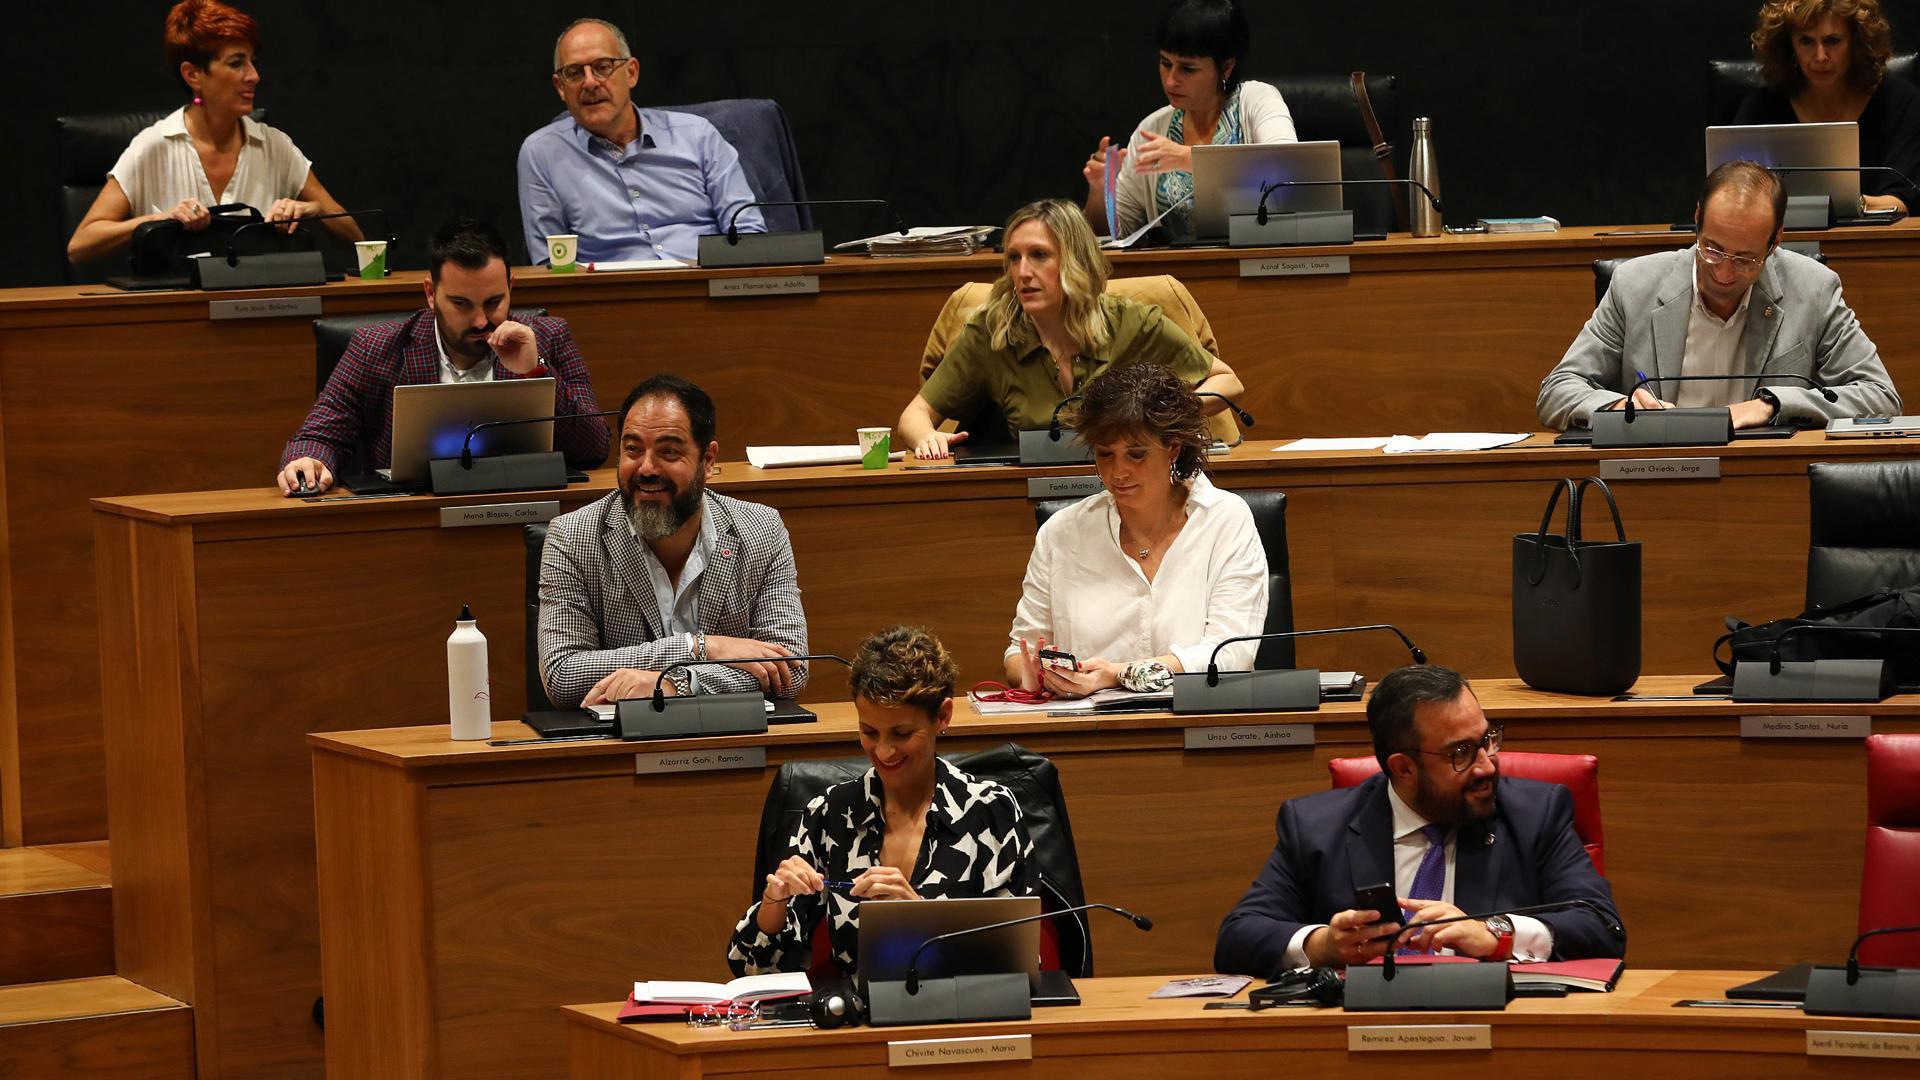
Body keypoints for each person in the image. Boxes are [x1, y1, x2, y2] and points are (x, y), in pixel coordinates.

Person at [1214, 665, 1625, 978]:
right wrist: (1323, 945)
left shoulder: (1536, 814)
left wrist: (1495, 934)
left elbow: (1602, 926)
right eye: (1461, 752)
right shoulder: (1316, 827)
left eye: (1487, 740)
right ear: (1403, 768)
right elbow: (1237, 937)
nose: (1486, 766)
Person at [727, 625, 1035, 978]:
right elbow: (749, 970)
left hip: (963, 1019)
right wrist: (774, 903)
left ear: (943, 716)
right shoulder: (828, 814)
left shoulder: (990, 812)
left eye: (902, 734)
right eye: (869, 732)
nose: (884, 751)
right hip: (857, 1021)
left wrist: (919, 919)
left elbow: (1017, 964)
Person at [1536, 160, 1899, 431]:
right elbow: (1557, 390)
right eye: (1712, 249)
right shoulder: (1634, 285)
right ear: (1697, 220)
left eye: (1745, 258)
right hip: (1654, 471)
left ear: (1775, 242)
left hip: (1760, 476)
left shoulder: (1814, 289)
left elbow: (1879, 395)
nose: (1724, 273)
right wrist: (1619, 406)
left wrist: (1772, 405)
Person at [277, 216, 610, 493]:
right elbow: (317, 437)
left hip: (520, 514)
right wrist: (308, 461)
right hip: (412, 523)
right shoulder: (375, 348)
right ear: (431, 294)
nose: (481, 320)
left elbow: (594, 449)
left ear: (512, 287)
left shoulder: (549, 338)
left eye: (494, 302)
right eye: (462, 304)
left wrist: (535, 371)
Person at [899, 198, 1244, 460]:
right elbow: (914, 415)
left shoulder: (1131, 322)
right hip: (1032, 499)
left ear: (1075, 261)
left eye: (1039, 255)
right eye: (1013, 258)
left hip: (1128, 485)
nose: (1023, 272)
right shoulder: (992, 332)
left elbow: (1228, 384)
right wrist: (928, 438)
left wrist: (1154, 418)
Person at [538, 374, 808, 707]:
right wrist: (701, 647)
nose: (647, 468)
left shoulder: (761, 530)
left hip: (733, 744)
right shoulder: (574, 536)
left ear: (708, 461)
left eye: (668, 451)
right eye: (633, 449)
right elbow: (563, 675)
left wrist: (675, 685)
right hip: (619, 750)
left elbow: (790, 669)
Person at [1005, 360, 1267, 698]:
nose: (1119, 472)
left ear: (1173, 449)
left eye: (1136, 454)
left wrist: (1116, 674)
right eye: (1105, 454)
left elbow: (1230, 655)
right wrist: (1039, 673)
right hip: (1089, 733)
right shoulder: (1062, 533)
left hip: (1198, 724)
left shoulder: (1226, 519)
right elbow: (1018, 654)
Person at [67, 0, 360, 265]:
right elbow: (80, 246)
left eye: (252, 62)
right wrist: (160, 219)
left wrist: (314, 209)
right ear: (193, 75)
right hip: (177, 317)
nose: (254, 76)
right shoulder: (153, 146)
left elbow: (357, 239)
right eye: (236, 63)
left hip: (260, 312)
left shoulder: (275, 146)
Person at [517, 18, 764, 265]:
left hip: (705, 287)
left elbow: (748, 234)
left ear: (631, 72)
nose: (590, 82)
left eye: (603, 66)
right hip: (613, 297)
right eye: (574, 73)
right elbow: (551, 265)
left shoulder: (698, 136)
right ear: (560, 88)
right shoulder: (542, 154)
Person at [1082, 0, 1296, 239]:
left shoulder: (1257, 100)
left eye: (1188, 69)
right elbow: (1108, 238)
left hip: (1263, 266)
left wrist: (1186, 158)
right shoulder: (1152, 128)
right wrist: (1101, 191)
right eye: (1165, 63)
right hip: (1178, 273)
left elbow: (1287, 173)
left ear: (1226, 67)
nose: (1171, 80)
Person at [1733, 0, 1920, 213]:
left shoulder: (1900, 102)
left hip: (1873, 242)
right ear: (1789, 45)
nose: (1820, 56)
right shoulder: (1762, 106)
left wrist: (1843, 205)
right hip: (1778, 243)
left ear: (1856, 43)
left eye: (1832, 41)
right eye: (1806, 41)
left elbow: (1904, 201)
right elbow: (1731, 191)